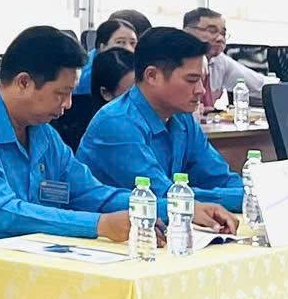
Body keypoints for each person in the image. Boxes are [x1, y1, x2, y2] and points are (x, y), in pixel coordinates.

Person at [0, 26, 236, 248]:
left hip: (33, 258)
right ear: (23, 83)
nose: (69, 105)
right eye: (61, 93)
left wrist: (174, 208)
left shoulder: (42, 134)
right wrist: (99, 225)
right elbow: (3, 212)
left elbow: (92, 194)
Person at [78, 26, 247, 209]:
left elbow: (221, 178)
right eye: (191, 80)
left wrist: (252, 194)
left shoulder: (183, 118)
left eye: (202, 80)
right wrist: (247, 197)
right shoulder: (116, 123)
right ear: (152, 76)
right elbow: (166, 196)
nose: (201, 90)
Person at [181, 7, 273, 108]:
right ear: (187, 32)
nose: (220, 39)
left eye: (223, 33)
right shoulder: (174, 61)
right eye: (212, 31)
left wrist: (283, 89)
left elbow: (259, 85)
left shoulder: (219, 61)